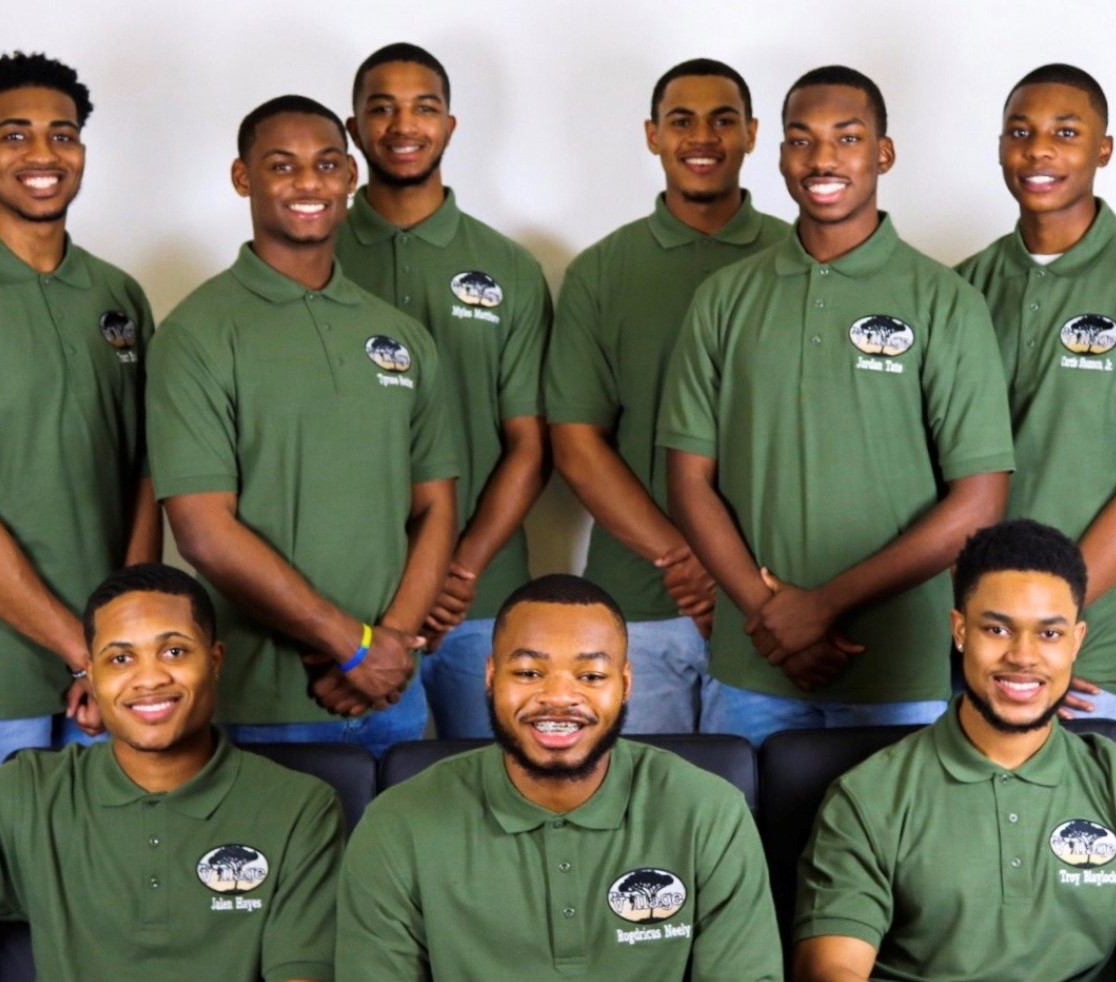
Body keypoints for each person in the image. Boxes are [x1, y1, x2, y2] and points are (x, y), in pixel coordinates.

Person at [659, 65, 1014, 747]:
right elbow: (687, 481)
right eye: (801, 140)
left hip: (897, 676)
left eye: (846, 138)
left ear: (882, 153)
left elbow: (978, 500)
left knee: (891, 856)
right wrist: (771, 617)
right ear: (780, 153)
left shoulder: (943, 301)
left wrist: (819, 608)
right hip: (749, 667)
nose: (821, 158)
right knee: (743, 856)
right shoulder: (725, 299)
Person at [147, 95, 458, 757]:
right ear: (243, 178)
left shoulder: (402, 337)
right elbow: (203, 532)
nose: (308, 183)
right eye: (282, 166)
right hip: (264, 703)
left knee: (391, 866)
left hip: (394, 696)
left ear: (349, 175)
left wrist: (388, 647)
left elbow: (434, 505)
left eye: (325, 164)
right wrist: (350, 646)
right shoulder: (196, 335)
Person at [0, 51, 160, 790]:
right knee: (8, 877)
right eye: (15, 136)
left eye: (62, 134)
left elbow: (146, 472)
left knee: (105, 866)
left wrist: (126, 633)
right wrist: (86, 652)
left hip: (110, 651)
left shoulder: (117, 295)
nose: (42, 154)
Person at [0, 563, 342, 982]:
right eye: (120, 659)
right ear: (90, 675)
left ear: (215, 659)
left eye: (173, 651)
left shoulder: (298, 805)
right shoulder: (27, 792)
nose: (148, 679)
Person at [336, 573, 782, 981]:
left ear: (625, 684)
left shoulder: (710, 813)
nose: (559, 698)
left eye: (590, 675)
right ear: (491, 677)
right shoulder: (396, 824)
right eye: (529, 673)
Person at [793, 519, 1116, 982]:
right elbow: (830, 969)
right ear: (960, 631)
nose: (1023, 656)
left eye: (1050, 634)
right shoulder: (869, 796)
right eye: (997, 630)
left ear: (1076, 641)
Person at [545, 58, 790, 734]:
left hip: (767, 606)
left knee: (758, 820)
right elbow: (576, 441)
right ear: (652, 135)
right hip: (637, 609)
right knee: (640, 816)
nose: (701, 138)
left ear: (751, 135)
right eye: (681, 121)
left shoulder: (797, 258)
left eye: (722, 121)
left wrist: (730, 577)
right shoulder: (602, 271)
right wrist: (684, 561)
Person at [957, 65, 1116, 748]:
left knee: (1076, 849)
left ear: (1102, 149)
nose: (1038, 151)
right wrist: (991, 631)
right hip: (972, 644)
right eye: (1020, 133)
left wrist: (1046, 630)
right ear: (1000, 147)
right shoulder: (962, 287)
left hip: (1087, 654)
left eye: (1065, 132)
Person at [337, 43, 551, 739]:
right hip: (346, 598)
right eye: (383, 108)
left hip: (479, 598)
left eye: (423, 107)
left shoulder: (507, 267)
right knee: (346, 809)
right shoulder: (313, 251)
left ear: (451, 125)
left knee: (491, 794)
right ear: (353, 126)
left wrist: (459, 568)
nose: (404, 125)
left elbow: (528, 441)